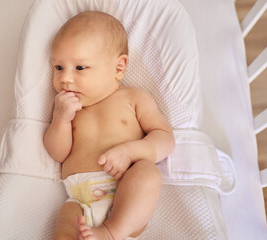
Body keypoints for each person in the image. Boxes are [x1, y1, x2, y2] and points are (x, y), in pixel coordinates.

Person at [44, 11, 175, 240]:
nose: (65, 78)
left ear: (118, 67)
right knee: (66, 219)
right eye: (58, 68)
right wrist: (60, 119)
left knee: (148, 173)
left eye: (80, 68)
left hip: (125, 189)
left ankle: (111, 232)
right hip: (80, 199)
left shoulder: (134, 98)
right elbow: (58, 153)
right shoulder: (68, 108)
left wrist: (130, 151)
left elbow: (165, 138)